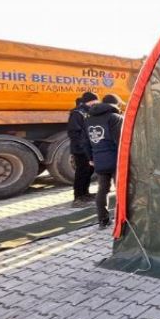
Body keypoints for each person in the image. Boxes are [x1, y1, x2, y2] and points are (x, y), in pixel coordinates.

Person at [86, 94, 124, 228]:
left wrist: (91, 158)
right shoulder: (115, 117)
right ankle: (124, 219)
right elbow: (121, 141)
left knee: (102, 189)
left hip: (99, 159)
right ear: (115, 104)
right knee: (121, 189)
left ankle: (103, 220)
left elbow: (85, 142)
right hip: (116, 159)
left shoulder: (88, 119)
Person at [67, 92, 98, 207]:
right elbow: (74, 132)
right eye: (95, 101)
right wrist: (83, 147)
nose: (97, 103)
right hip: (80, 149)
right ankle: (78, 197)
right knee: (81, 172)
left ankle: (85, 193)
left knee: (88, 171)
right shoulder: (77, 113)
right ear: (90, 101)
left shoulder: (88, 112)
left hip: (88, 148)